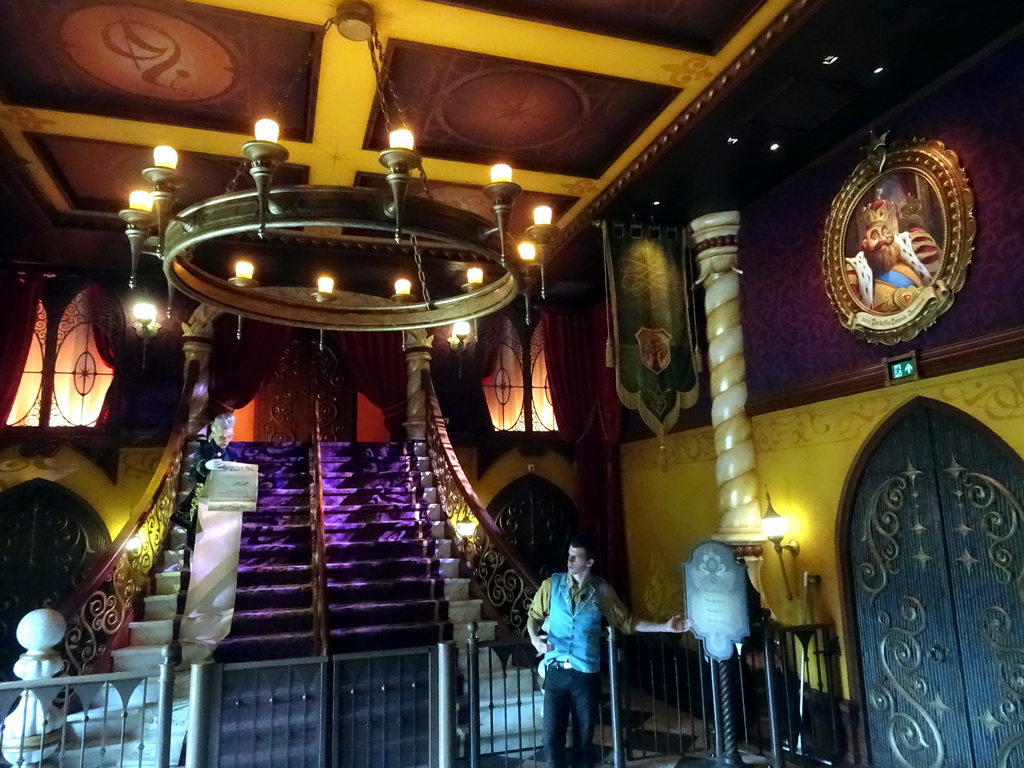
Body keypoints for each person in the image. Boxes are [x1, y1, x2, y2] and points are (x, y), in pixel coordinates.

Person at [527, 535, 690, 768]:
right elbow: (533, 617)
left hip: (585, 675)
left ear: (590, 562)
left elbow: (627, 622)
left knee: (584, 740)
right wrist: (535, 639)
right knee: (551, 740)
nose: (570, 560)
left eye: (577, 556)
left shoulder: (601, 590)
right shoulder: (551, 586)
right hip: (555, 674)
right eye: (569, 555)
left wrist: (665, 626)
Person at [846, 195, 942, 313]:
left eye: (885, 232)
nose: (882, 239)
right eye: (875, 236)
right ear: (865, 243)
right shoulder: (855, 269)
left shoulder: (916, 244)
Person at [171, 413, 235, 549]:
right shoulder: (204, 450)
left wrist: (248, 475)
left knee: (221, 540)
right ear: (214, 433)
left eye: (230, 436)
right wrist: (205, 465)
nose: (226, 440)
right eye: (222, 437)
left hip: (224, 501)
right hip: (203, 500)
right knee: (199, 538)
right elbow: (192, 475)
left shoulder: (234, 453)